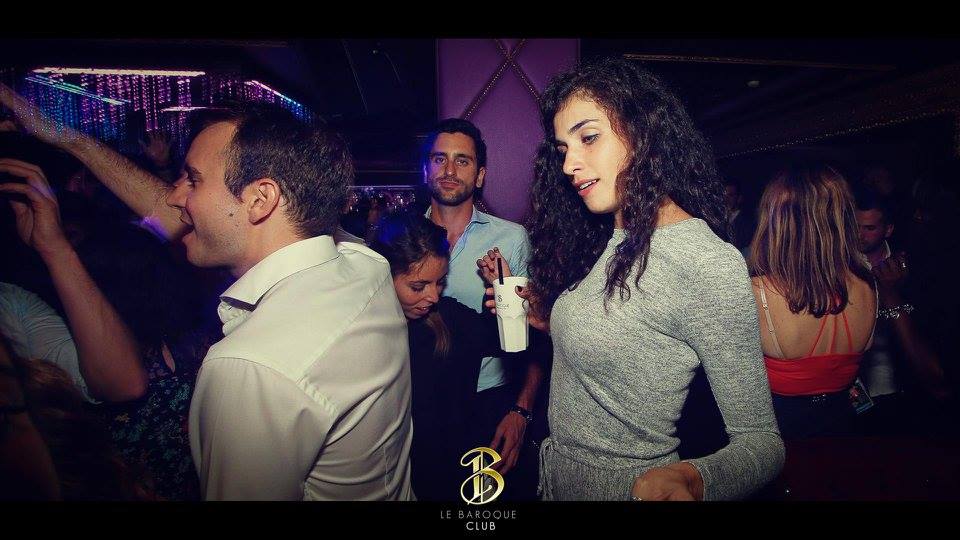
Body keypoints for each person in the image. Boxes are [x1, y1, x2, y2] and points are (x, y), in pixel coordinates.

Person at [0, 85, 414, 500]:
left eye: (193, 180)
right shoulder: (366, 265)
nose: (175, 197)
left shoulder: (249, 369)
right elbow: (191, 217)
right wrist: (69, 139)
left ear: (261, 199)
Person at [508, 56, 783, 501]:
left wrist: (693, 479)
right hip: (558, 480)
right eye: (562, 150)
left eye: (588, 138)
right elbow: (625, 344)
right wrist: (553, 321)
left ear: (643, 133)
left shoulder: (706, 261)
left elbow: (762, 443)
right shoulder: (610, 237)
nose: (569, 164)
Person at [369, 213, 542, 501]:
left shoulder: (449, 319)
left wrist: (505, 289)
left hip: (453, 475)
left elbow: (516, 345)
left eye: (440, 282)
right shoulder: (365, 336)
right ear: (383, 277)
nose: (434, 296)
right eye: (418, 286)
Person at [420, 118, 543, 497]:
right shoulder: (403, 236)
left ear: (480, 175)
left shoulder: (511, 238)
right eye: (439, 159)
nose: (449, 170)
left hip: (489, 402)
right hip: (421, 403)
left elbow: (535, 337)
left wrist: (521, 410)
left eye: (463, 161)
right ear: (426, 169)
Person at [750, 164, 878, 440]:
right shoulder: (867, 284)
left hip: (782, 430)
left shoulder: (758, 291)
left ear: (779, 221)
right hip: (842, 423)